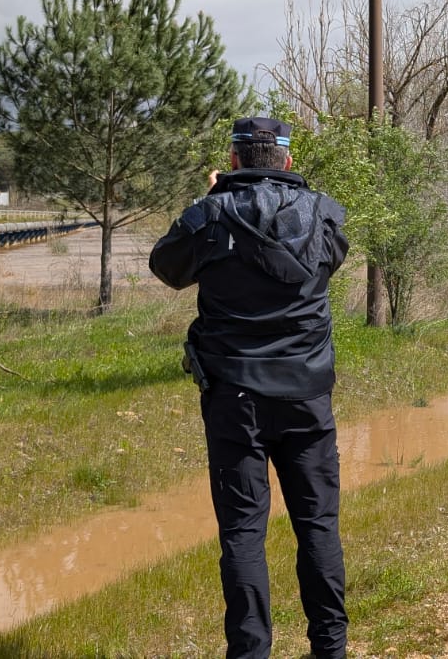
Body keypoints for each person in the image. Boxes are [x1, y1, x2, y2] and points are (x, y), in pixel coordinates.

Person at [149, 116, 349, 659]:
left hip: (235, 401)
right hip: (307, 397)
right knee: (317, 527)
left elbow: (165, 267)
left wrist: (207, 200)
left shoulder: (211, 216)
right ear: (286, 159)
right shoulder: (325, 215)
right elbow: (331, 259)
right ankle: (331, 650)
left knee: (242, 534)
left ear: (234, 160)